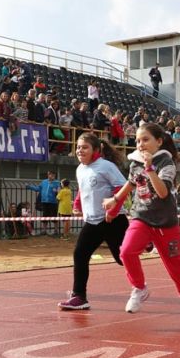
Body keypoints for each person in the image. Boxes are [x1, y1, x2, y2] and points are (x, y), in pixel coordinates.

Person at [102, 122, 180, 321]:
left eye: (145, 140)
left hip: (165, 222)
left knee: (174, 265)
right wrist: (115, 200)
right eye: (137, 140)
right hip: (142, 217)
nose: (140, 144)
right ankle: (139, 287)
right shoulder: (135, 162)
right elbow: (131, 183)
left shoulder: (166, 162)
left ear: (159, 141)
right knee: (126, 251)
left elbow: (162, 192)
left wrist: (150, 168)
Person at [58, 133, 130, 310]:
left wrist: (112, 211)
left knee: (123, 258)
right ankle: (79, 297)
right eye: (78, 147)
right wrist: (77, 205)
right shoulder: (80, 169)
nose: (80, 151)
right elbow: (82, 190)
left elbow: (122, 188)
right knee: (80, 254)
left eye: (85, 147)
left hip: (113, 220)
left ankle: (145, 243)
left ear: (96, 150)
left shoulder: (106, 166)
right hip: (93, 222)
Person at [28, 171, 61, 236]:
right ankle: (44, 230)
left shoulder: (57, 183)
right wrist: (30, 187)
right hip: (44, 201)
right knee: (45, 216)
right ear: (48, 175)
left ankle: (56, 231)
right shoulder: (44, 182)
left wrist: (57, 191)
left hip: (53, 202)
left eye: (53, 175)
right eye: (51, 175)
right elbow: (38, 189)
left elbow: (60, 192)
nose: (52, 176)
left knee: (54, 216)